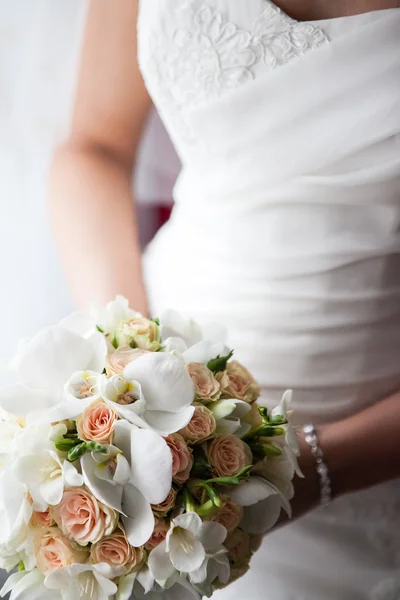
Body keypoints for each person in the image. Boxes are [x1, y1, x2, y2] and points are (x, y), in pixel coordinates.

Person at [50, 1, 400, 598]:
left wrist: (309, 471)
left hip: (361, 466)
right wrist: (123, 350)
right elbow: (95, 147)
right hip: (138, 353)